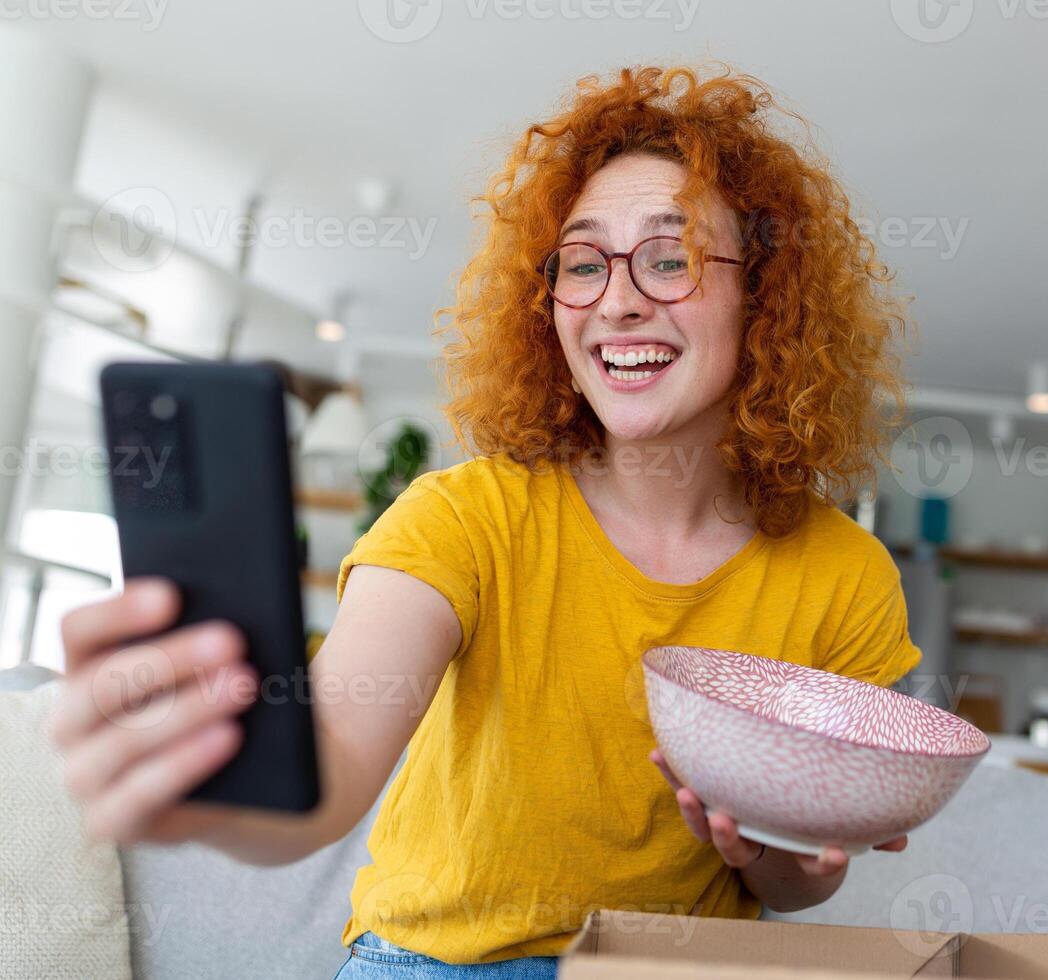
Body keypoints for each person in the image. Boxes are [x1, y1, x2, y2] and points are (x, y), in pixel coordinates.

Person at [49, 63, 922, 978]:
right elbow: (333, 761)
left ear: (766, 295)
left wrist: (771, 853)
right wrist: (217, 788)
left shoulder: (845, 576)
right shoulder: (464, 518)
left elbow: (799, 882)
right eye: (583, 264)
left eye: (672, 258)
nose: (618, 299)